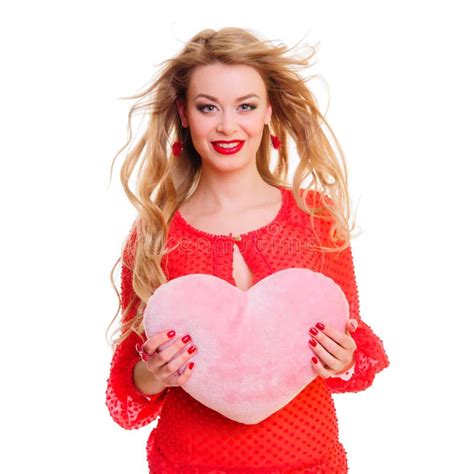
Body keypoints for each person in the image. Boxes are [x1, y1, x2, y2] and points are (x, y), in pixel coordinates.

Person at [105, 27, 390, 473]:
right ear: (184, 114)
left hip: (309, 463)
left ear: (267, 113)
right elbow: (129, 384)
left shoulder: (315, 218)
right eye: (207, 107)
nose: (226, 125)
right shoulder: (155, 235)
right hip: (188, 465)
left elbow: (353, 344)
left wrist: (345, 356)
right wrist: (155, 373)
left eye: (245, 106)